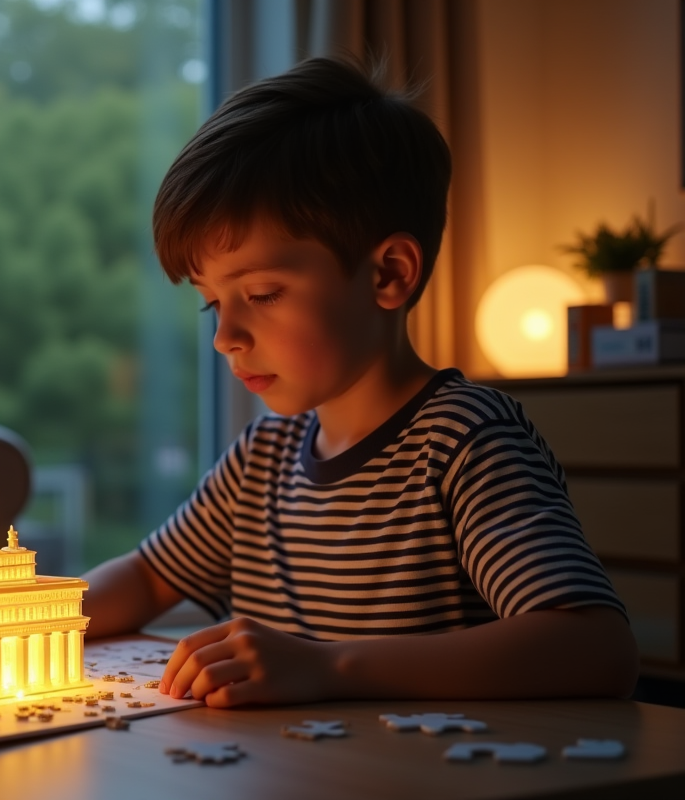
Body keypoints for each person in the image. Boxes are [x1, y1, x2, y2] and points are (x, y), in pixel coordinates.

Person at [80, 57, 638, 708]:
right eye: (212, 303)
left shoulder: (465, 440)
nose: (224, 335)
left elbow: (596, 648)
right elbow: (147, 579)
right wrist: (19, 621)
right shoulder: (262, 457)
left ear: (388, 275)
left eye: (261, 293)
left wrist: (329, 669)